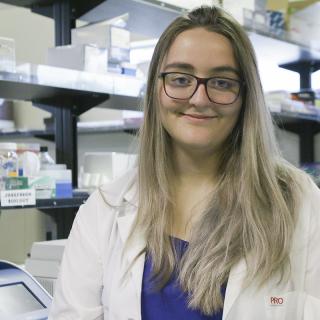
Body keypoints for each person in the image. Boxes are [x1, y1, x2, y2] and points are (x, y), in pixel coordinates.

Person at [49, 5, 320, 320]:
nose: (199, 99)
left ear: (246, 97)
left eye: (221, 82)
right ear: (156, 89)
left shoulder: (300, 202)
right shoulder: (104, 210)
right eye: (180, 79)